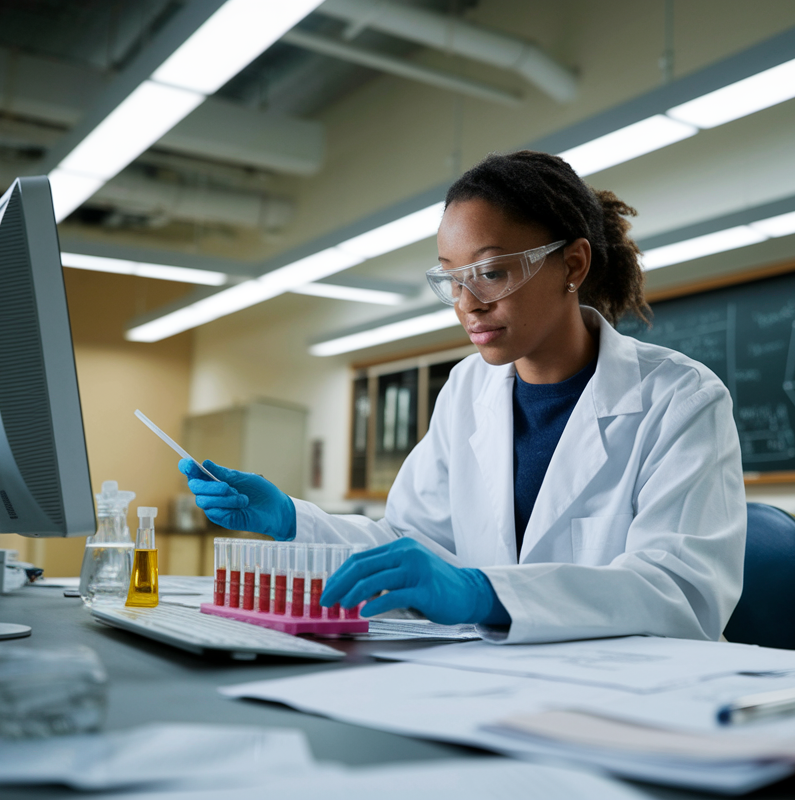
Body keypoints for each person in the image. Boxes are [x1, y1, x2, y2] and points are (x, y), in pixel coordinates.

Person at [182, 150, 745, 644]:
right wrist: (291, 520)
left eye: (493, 272)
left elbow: (680, 591)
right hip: (489, 688)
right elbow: (409, 543)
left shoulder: (681, 399)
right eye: (452, 279)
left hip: (639, 703)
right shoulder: (466, 389)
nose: (467, 303)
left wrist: (484, 593)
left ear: (573, 264)